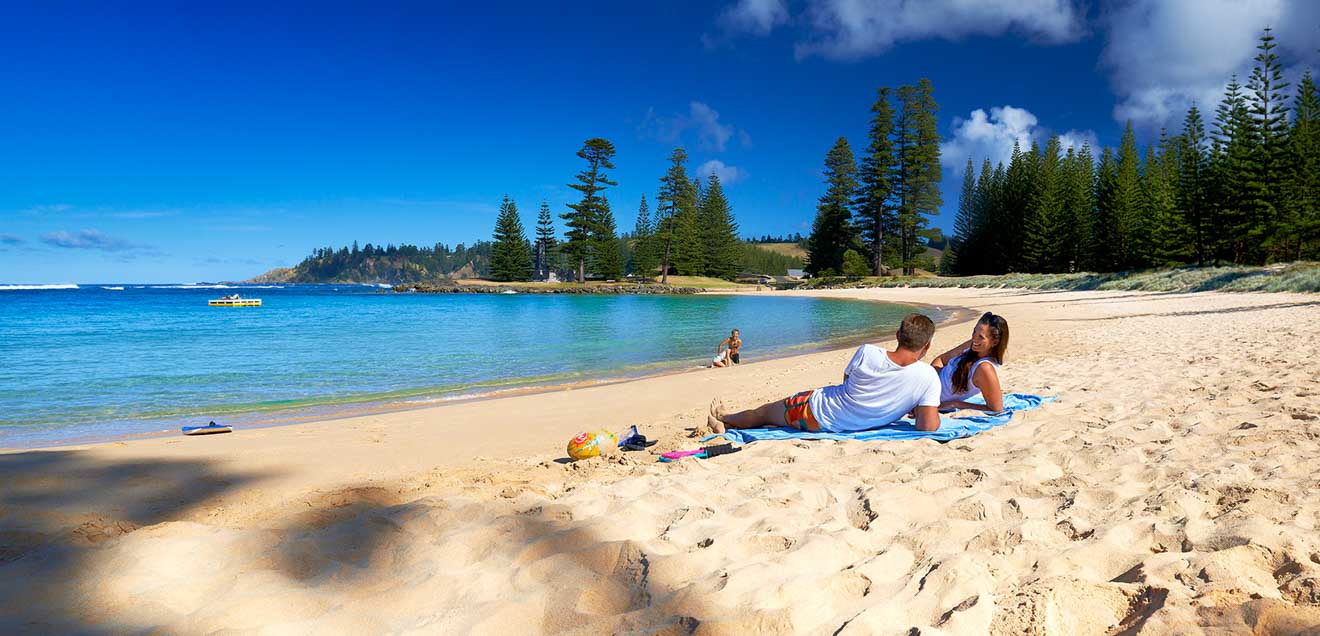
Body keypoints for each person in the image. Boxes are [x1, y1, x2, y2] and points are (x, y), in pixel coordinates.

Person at [708, 314, 942, 433]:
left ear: (897, 335)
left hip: (813, 409)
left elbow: (847, 382)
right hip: (830, 422)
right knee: (768, 417)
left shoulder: (868, 352)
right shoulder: (928, 377)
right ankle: (727, 422)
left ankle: (726, 419)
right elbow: (927, 427)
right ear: (927, 346)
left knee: (764, 413)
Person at [931, 312, 1008, 412]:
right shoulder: (972, 346)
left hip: (928, 396)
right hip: (928, 382)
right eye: (974, 332)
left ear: (995, 342)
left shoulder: (985, 368)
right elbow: (941, 359)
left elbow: (996, 409)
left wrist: (956, 404)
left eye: (981, 337)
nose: (974, 338)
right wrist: (932, 378)